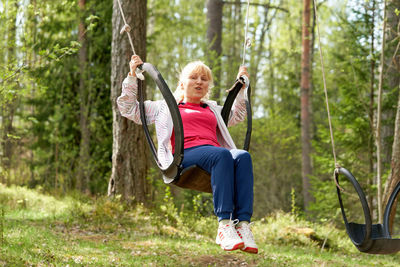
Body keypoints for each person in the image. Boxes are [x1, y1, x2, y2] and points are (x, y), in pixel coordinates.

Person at [117, 55, 258, 254]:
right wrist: (132, 77)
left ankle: (243, 225)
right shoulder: (164, 107)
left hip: (214, 156)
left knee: (243, 156)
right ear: (182, 83)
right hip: (184, 157)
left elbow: (238, 114)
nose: (199, 81)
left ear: (208, 85)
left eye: (204, 79)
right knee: (222, 155)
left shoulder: (213, 110)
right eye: (194, 77)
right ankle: (224, 224)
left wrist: (241, 90)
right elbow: (128, 108)